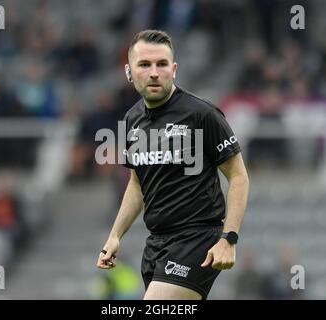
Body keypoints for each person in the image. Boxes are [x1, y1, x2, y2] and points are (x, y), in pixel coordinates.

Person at [96, 30, 250, 300]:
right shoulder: (132, 120)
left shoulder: (203, 114)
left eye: (162, 64)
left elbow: (238, 176)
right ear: (129, 71)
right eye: (144, 64)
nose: (154, 72)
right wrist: (115, 235)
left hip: (197, 239)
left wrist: (229, 239)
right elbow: (137, 184)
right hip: (156, 244)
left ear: (174, 69)